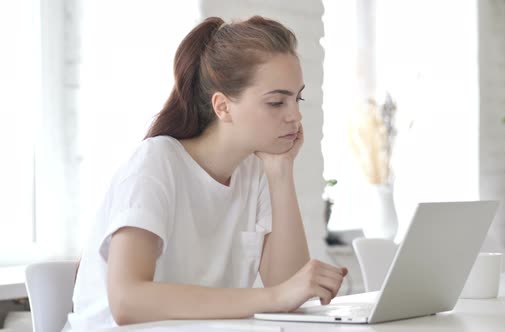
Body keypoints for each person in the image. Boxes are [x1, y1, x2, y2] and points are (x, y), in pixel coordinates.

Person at [64, 16, 348, 331]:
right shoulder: (156, 162)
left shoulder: (256, 170)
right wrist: (275, 296)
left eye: (298, 99)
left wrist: (281, 170)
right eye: (276, 102)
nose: (294, 115)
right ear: (223, 107)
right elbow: (128, 301)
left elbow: (291, 292)